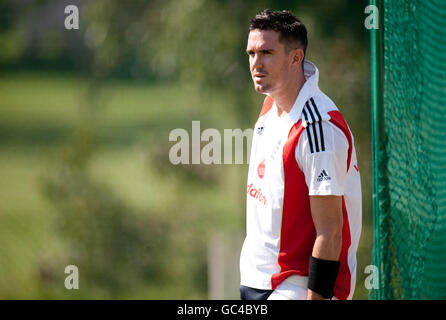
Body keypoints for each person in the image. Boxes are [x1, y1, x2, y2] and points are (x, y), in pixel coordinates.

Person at [239, 9, 362, 300]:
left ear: (295, 58)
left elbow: (330, 232)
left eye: (267, 52)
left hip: (295, 287)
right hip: (255, 280)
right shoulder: (270, 104)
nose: (256, 63)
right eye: (251, 53)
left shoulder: (318, 129)